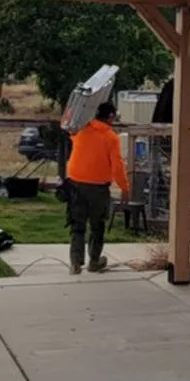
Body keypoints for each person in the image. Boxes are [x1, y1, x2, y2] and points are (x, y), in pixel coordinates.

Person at [64, 100, 130, 275]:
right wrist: (124, 188)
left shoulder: (81, 129)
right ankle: (94, 261)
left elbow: (67, 124)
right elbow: (117, 166)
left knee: (77, 226)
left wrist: (75, 106)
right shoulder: (110, 137)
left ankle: (75, 263)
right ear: (110, 117)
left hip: (75, 184)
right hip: (98, 188)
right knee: (97, 225)